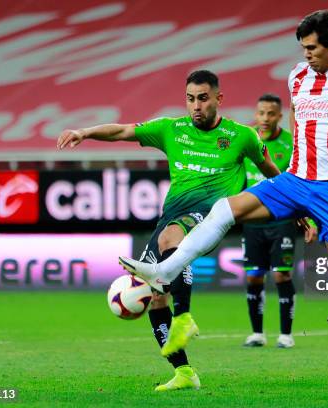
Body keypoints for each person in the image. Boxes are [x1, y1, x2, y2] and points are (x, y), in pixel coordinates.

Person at [119, 9, 328, 393]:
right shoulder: (297, 77)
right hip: (295, 179)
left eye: (313, 48)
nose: (306, 55)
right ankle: (166, 272)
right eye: (303, 48)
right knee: (225, 209)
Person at [57, 70, 280, 391]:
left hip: (211, 214)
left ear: (219, 98)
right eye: (190, 99)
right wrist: (85, 131)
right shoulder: (171, 129)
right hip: (172, 214)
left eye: (203, 98)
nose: (196, 106)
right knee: (156, 296)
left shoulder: (241, 136)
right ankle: (184, 372)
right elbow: (122, 130)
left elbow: (270, 171)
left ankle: (185, 316)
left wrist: (297, 205)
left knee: (169, 240)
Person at [242, 93, 306, 349]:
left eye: (271, 113)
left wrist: (306, 218)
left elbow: (301, 181)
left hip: (282, 221)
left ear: (280, 116)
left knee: (281, 275)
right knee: (254, 277)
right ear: (256, 115)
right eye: (261, 113)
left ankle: (285, 335)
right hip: (251, 221)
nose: (265, 118)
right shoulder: (246, 141)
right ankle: (257, 334)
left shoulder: (290, 144)